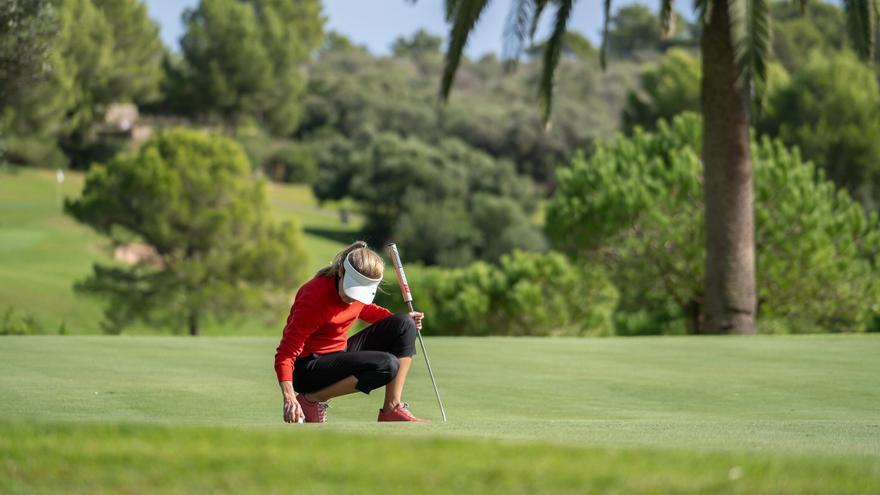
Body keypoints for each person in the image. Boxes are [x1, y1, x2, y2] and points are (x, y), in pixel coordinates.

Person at [274, 241, 428, 423]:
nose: (353, 298)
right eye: (352, 291)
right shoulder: (314, 298)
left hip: (338, 354)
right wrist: (289, 396)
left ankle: (391, 409)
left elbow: (365, 310)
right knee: (387, 365)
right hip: (308, 370)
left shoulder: (355, 290)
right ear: (341, 272)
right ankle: (312, 400)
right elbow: (285, 353)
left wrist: (405, 321)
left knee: (405, 323)